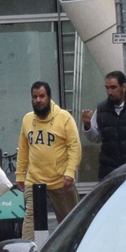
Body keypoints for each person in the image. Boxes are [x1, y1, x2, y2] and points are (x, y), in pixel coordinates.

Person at [18, 81, 81, 237]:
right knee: (30, 222)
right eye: (35, 97)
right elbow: (24, 149)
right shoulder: (27, 119)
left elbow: (75, 147)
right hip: (35, 180)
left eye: (42, 96)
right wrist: (20, 174)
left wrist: (70, 171)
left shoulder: (64, 118)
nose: (38, 100)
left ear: (49, 97)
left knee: (71, 224)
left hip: (60, 180)